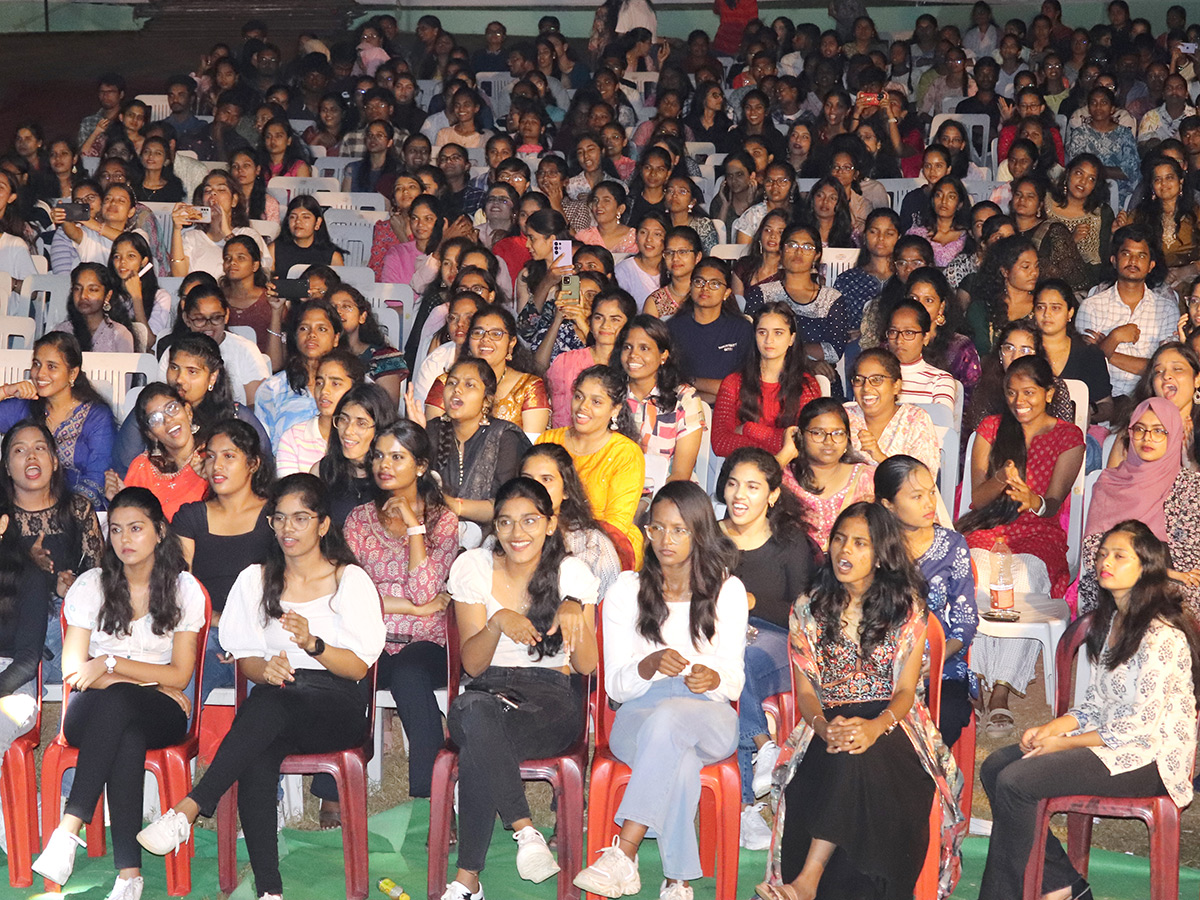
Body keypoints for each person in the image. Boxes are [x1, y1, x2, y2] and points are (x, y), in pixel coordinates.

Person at [136, 475, 385, 900]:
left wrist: (314, 644)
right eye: (279, 519)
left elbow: (359, 667)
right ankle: (270, 892)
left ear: (323, 524)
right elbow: (245, 656)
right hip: (279, 697)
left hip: (337, 705)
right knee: (260, 740)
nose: (288, 529)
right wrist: (263, 669)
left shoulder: (349, 580)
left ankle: (190, 808)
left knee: (266, 711)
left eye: (300, 518)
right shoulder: (256, 579)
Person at [978, 518, 1199, 900]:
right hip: (1112, 744)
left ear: (1145, 566)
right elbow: (1095, 704)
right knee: (996, 766)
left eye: (1118, 555)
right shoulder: (1112, 621)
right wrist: (1051, 729)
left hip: (1150, 759)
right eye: (1101, 554)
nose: (1103, 562)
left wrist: (1064, 745)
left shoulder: (1163, 636)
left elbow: (1140, 727)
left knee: (1017, 781)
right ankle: (1062, 884)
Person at [756, 501, 963, 900]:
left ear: (881, 554)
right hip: (825, 723)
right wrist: (823, 726)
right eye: (839, 540)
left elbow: (905, 692)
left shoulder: (907, 609)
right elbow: (805, 692)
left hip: (894, 725)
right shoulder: (808, 607)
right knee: (843, 754)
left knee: (858, 755)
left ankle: (806, 882)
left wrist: (873, 727)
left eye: (859, 543)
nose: (844, 551)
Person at [573, 481, 747, 900]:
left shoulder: (728, 590)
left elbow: (735, 679)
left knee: (673, 722)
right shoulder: (625, 591)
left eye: (679, 530)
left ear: (700, 533)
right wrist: (647, 666)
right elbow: (614, 684)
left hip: (709, 716)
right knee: (679, 760)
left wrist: (713, 677)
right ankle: (676, 880)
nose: (666, 540)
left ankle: (624, 851)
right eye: (657, 529)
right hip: (637, 718)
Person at [32, 487, 206, 900]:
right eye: (115, 530)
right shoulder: (92, 584)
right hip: (92, 709)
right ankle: (126, 874)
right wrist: (150, 680)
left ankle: (70, 835)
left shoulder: (184, 589)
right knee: (120, 715)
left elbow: (180, 675)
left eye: (136, 528)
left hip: (158, 710)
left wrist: (110, 665)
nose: (124, 539)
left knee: (124, 715)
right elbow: (75, 672)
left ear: (160, 532)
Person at [440, 476, 598, 900]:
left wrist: (577, 612)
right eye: (506, 522)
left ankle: (467, 881)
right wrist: (497, 623)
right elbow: (472, 664)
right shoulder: (474, 567)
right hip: (486, 691)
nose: (517, 533)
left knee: (477, 739)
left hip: (550, 699)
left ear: (550, 524)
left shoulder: (571, 574)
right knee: (475, 713)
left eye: (530, 520)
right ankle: (526, 832)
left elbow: (587, 665)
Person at [343, 421, 458, 802]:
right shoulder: (358, 520)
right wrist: (409, 606)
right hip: (371, 638)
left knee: (410, 672)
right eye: (378, 455)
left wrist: (414, 528)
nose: (383, 465)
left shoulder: (443, 520)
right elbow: (351, 594)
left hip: (427, 645)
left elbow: (427, 586)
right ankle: (333, 790)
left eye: (397, 456)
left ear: (421, 466)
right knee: (349, 672)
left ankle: (431, 796)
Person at [717, 447, 815, 849]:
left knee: (737, 659)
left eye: (753, 486)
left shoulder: (790, 543)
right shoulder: (707, 534)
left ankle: (749, 791)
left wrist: (749, 604)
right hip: (718, 636)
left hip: (774, 639)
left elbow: (803, 607)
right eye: (734, 484)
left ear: (772, 495)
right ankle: (762, 755)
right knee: (730, 658)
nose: (740, 495)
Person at [876, 455, 977, 747]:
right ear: (888, 505)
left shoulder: (952, 545)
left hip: (939, 665)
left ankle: (929, 784)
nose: (929, 503)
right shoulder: (871, 545)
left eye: (931, 492)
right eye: (916, 496)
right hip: (881, 666)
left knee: (946, 716)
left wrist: (935, 660)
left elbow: (965, 621)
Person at [174, 418, 274, 697]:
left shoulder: (275, 516)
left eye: (229, 456)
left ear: (253, 463)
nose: (217, 466)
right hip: (207, 631)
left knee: (272, 682)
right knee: (187, 668)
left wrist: (245, 633)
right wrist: (223, 624)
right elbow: (180, 590)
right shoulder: (191, 516)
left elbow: (286, 587)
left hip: (262, 632)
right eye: (211, 457)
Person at [538, 366, 646, 565]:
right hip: (544, 537)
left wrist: (571, 545)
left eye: (596, 402)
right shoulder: (549, 439)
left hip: (605, 547)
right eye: (579, 397)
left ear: (615, 409)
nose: (583, 407)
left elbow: (616, 525)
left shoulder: (625, 453)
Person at [0, 332, 115, 508]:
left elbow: (97, 476)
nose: (40, 374)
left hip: (77, 513)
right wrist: (6, 391)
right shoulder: (23, 408)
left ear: (72, 373)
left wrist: (62, 512)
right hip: (24, 508)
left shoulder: (96, 416)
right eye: (36, 364)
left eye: (51, 367)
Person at [421, 356, 532, 528]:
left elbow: (507, 505)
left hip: (492, 538)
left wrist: (453, 505)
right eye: (451, 383)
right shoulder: (432, 431)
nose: (457, 389)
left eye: (469, 384)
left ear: (487, 400)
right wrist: (413, 441)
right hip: (436, 533)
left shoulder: (504, 436)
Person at [745, 224, 854, 387]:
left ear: (817, 255)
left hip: (819, 378)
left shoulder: (831, 298)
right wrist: (805, 362)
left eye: (807, 247)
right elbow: (752, 342)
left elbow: (833, 350)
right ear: (781, 251)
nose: (799, 252)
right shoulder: (761, 294)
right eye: (792, 245)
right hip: (771, 377)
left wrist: (783, 349)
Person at [1076, 224, 1177, 399]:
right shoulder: (1092, 307)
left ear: (1151, 265)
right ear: (1114, 260)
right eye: (1126, 253)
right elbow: (1085, 367)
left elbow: (1162, 369)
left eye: (1141, 255)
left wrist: (1106, 348)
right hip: (1102, 402)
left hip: (1148, 402)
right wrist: (1115, 336)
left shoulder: (1166, 309)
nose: (1133, 261)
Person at [712, 302, 821, 457]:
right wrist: (779, 445)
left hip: (791, 472)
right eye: (762, 332)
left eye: (778, 333)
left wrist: (748, 429)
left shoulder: (807, 385)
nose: (769, 340)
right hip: (744, 471)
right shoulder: (733, 382)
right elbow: (720, 443)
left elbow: (805, 441)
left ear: (791, 339)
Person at [425, 305, 550, 437]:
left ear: (511, 343)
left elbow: (531, 446)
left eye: (496, 334)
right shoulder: (447, 384)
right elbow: (434, 439)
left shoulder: (529, 387)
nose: (485, 339)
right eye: (478, 333)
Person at [616, 315, 704, 494]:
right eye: (628, 347)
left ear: (663, 355)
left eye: (644, 348)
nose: (633, 355)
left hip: (668, 493)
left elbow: (680, 474)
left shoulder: (684, 398)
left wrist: (645, 501)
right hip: (617, 492)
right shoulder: (609, 393)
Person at [778, 397, 876, 549]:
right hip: (795, 565)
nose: (828, 441)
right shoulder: (784, 477)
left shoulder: (866, 478)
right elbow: (750, 484)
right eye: (817, 433)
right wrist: (786, 454)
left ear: (847, 437)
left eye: (837, 433)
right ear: (801, 436)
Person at [110, 383, 208, 521]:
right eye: (155, 419)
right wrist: (120, 499)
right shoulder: (142, 468)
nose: (168, 420)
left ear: (188, 412)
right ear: (151, 434)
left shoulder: (212, 457)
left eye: (172, 408)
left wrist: (212, 480)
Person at [254, 299, 342, 447]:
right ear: (295, 336)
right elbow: (262, 448)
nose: (312, 335)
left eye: (322, 329)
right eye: (304, 328)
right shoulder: (272, 388)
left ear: (336, 339)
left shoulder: (353, 383)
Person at [546, 289, 636, 429]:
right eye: (598, 317)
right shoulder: (566, 362)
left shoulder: (633, 365)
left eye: (615, 319)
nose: (605, 325)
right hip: (565, 442)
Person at [845, 349, 941, 476]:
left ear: (896, 386)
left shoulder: (915, 420)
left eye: (877, 379)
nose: (866, 387)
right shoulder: (843, 418)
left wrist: (880, 457)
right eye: (859, 379)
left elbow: (922, 481)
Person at [1034, 280, 1113, 425]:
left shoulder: (1088, 354)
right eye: (1040, 307)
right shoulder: (1027, 350)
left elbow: (1106, 405)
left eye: (1055, 308)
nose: (1047, 314)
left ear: (1070, 312)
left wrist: (1086, 412)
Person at [276, 350, 367, 476]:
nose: (324, 391)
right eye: (319, 383)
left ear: (355, 388)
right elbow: (291, 491)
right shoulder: (294, 438)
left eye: (335, 384)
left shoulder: (366, 435)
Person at [169, 170, 272, 279]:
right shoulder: (191, 237)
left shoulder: (248, 235)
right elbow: (178, 276)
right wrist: (176, 229)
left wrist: (227, 232)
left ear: (234, 200)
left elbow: (257, 272)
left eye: (221, 190)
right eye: (207, 190)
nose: (213, 194)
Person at [904, 266, 982, 405]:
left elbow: (970, 400)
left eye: (928, 300)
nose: (919, 306)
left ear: (941, 306)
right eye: (914, 298)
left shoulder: (960, 348)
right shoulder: (893, 342)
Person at [327, 285, 407, 406]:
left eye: (346, 306)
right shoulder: (321, 354)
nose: (338, 311)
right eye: (333, 308)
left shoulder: (383, 358)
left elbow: (387, 409)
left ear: (362, 317)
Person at [885, 299, 957, 410]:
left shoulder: (939, 381)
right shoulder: (873, 377)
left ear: (925, 337)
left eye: (909, 333)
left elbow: (941, 424)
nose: (899, 340)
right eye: (893, 332)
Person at [53, 262, 136, 353]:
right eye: (77, 288)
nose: (83, 296)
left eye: (92, 290)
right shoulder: (61, 332)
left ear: (107, 295)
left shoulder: (119, 335)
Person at [108, 232, 172, 346]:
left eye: (131, 256)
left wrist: (136, 296)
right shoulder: (107, 293)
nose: (122, 262)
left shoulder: (160, 297)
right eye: (117, 256)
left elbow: (148, 342)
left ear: (143, 261)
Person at [271, 195, 345, 278]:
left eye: (305, 217)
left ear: (317, 223)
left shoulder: (333, 256)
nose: (298, 221)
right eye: (293, 217)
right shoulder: (274, 249)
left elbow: (338, 288)